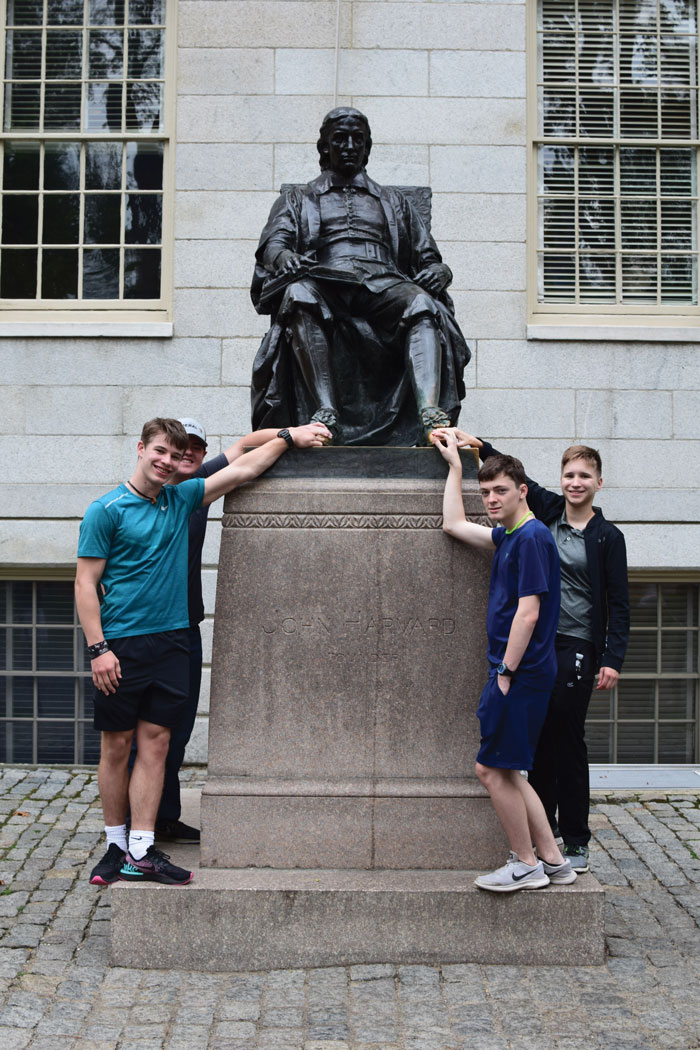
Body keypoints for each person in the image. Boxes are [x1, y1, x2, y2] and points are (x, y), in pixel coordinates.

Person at [77, 417, 329, 887]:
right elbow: (85, 584)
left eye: (175, 456)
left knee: (156, 745)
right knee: (116, 747)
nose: (168, 462)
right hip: (122, 644)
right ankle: (114, 844)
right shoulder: (105, 510)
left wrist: (289, 437)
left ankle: (141, 849)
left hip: (173, 640)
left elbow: (241, 470)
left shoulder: (184, 497)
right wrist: (98, 649)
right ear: (141, 449)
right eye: (161, 452)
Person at [436, 429, 630, 872]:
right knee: (531, 749)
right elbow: (498, 488)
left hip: (565, 647)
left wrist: (611, 658)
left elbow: (615, 602)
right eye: (569, 474)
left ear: (599, 482)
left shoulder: (594, 536)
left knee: (563, 739)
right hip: (541, 646)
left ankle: (564, 845)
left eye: (585, 475)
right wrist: (473, 449)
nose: (575, 482)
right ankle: (551, 850)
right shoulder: (544, 519)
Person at [153, 417, 330, 844]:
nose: (188, 454)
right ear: (159, 453)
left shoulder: (199, 486)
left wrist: (294, 434)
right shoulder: (143, 499)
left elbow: (245, 448)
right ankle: (132, 827)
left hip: (186, 627)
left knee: (175, 731)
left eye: (195, 447)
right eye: (179, 449)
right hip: (145, 633)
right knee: (144, 738)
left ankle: (164, 817)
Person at [250, 107, 470, 446]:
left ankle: (430, 414)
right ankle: (325, 413)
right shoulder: (298, 198)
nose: (350, 146)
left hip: (384, 282)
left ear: (368, 148)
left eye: (358, 140)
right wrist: (284, 256)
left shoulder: (393, 200)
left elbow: (428, 257)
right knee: (298, 295)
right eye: (340, 139)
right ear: (324, 148)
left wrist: (442, 270)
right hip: (325, 282)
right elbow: (273, 245)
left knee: (423, 303)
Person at [433, 431, 575, 891]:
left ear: (523, 492)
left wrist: (506, 673)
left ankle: (525, 863)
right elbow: (454, 524)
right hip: (522, 673)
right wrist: (457, 469)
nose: (491, 499)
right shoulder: (510, 535)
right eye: (486, 491)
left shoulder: (532, 537)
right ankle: (553, 859)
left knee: (491, 770)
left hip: (521, 673)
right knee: (511, 770)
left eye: (500, 491)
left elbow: (529, 612)